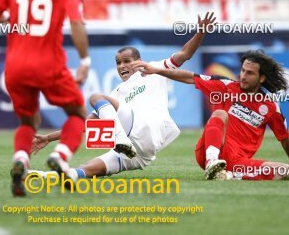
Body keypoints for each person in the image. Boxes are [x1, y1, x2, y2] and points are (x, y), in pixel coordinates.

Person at [30, 12, 216, 184]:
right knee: (89, 169)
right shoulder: (117, 93)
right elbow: (85, 125)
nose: (121, 66)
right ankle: (49, 176)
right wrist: (48, 137)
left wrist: (200, 33)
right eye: (118, 63)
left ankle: (121, 140)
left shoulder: (153, 69)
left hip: (147, 129)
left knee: (96, 96)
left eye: (127, 61)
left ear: (139, 60)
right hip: (141, 152)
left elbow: (184, 55)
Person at [0, 0, 93, 197]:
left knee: (28, 120)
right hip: (49, 65)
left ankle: (21, 159)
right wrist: (85, 60)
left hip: (15, 67)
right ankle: (61, 155)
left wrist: (12, 23)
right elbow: (77, 23)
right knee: (77, 114)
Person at [133, 50, 289, 181]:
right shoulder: (226, 86)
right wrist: (157, 70)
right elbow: (190, 77)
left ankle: (227, 175)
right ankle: (212, 163)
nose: (243, 76)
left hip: (237, 161)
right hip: (207, 152)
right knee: (220, 113)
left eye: (249, 73)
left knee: (285, 171)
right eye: (243, 70)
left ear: (262, 78)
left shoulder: (271, 107)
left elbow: (284, 137)